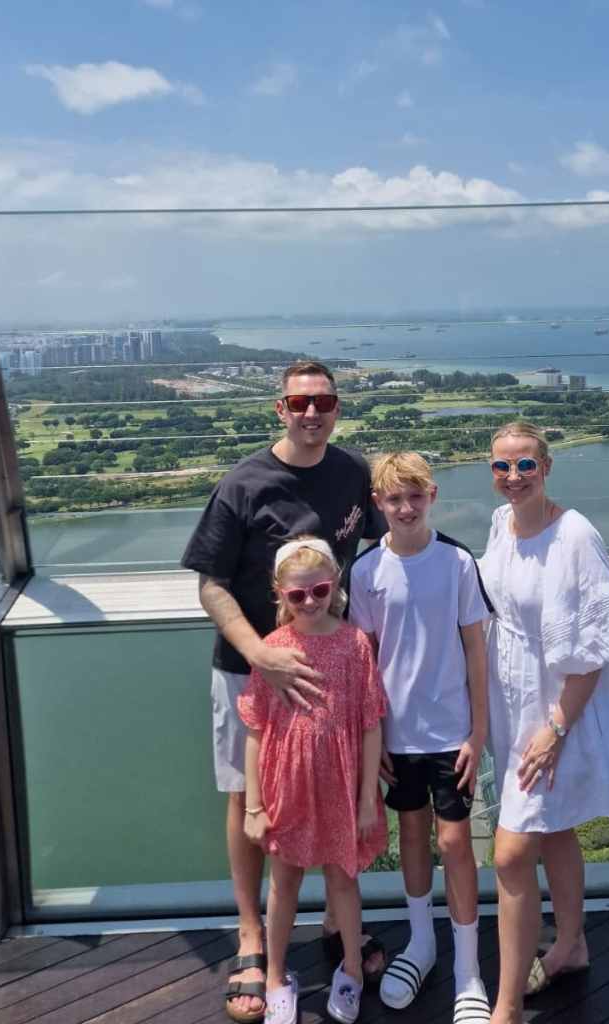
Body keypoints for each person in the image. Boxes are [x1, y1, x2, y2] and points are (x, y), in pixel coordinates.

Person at [180, 361, 386, 1022]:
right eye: (299, 402)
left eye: (322, 402)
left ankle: (336, 923)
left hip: (329, 661)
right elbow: (211, 584)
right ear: (280, 409)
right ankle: (250, 936)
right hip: (252, 665)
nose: (311, 413)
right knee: (250, 797)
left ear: (337, 407)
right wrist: (260, 654)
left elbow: (387, 545)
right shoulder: (243, 484)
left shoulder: (352, 472)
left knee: (331, 781)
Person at [478, 421, 609, 1024]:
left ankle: (505, 1006)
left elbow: (598, 643)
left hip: (557, 711)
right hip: (514, 703)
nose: (514, 476)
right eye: (502, 466)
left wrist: (555, 729)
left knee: (510, 855)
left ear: (547, 467)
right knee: (554, 830)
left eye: (526, 464)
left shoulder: (575, 534)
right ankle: (572, 944)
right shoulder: (500, 525)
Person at [349, 452, 493, 1024]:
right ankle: (421, 942)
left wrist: (478, 732)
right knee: (410, 834)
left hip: (451, 731)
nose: (405, 508)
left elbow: (476, 650)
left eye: (415, 496)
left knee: (455, 844)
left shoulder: (456, 562)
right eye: (394, 499)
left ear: (432, 496)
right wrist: (373, 737)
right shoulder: (366, 572)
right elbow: (365, 661)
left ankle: (468, 969)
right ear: (378, 504)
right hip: (396, 734)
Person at [241, 538, 388, 1024]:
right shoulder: (271, 651)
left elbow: (370, 725)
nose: (310, 601)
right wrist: (254, 806)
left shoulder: (354, 645)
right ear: (280, 594)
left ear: (335, 586)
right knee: (283, 883)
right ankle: (275, 976)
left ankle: (352, 969)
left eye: (319, 590)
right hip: (288, 787)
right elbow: (256, 730)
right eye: (297, 594)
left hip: (341, 786)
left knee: (343, 880)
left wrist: (366, 800)